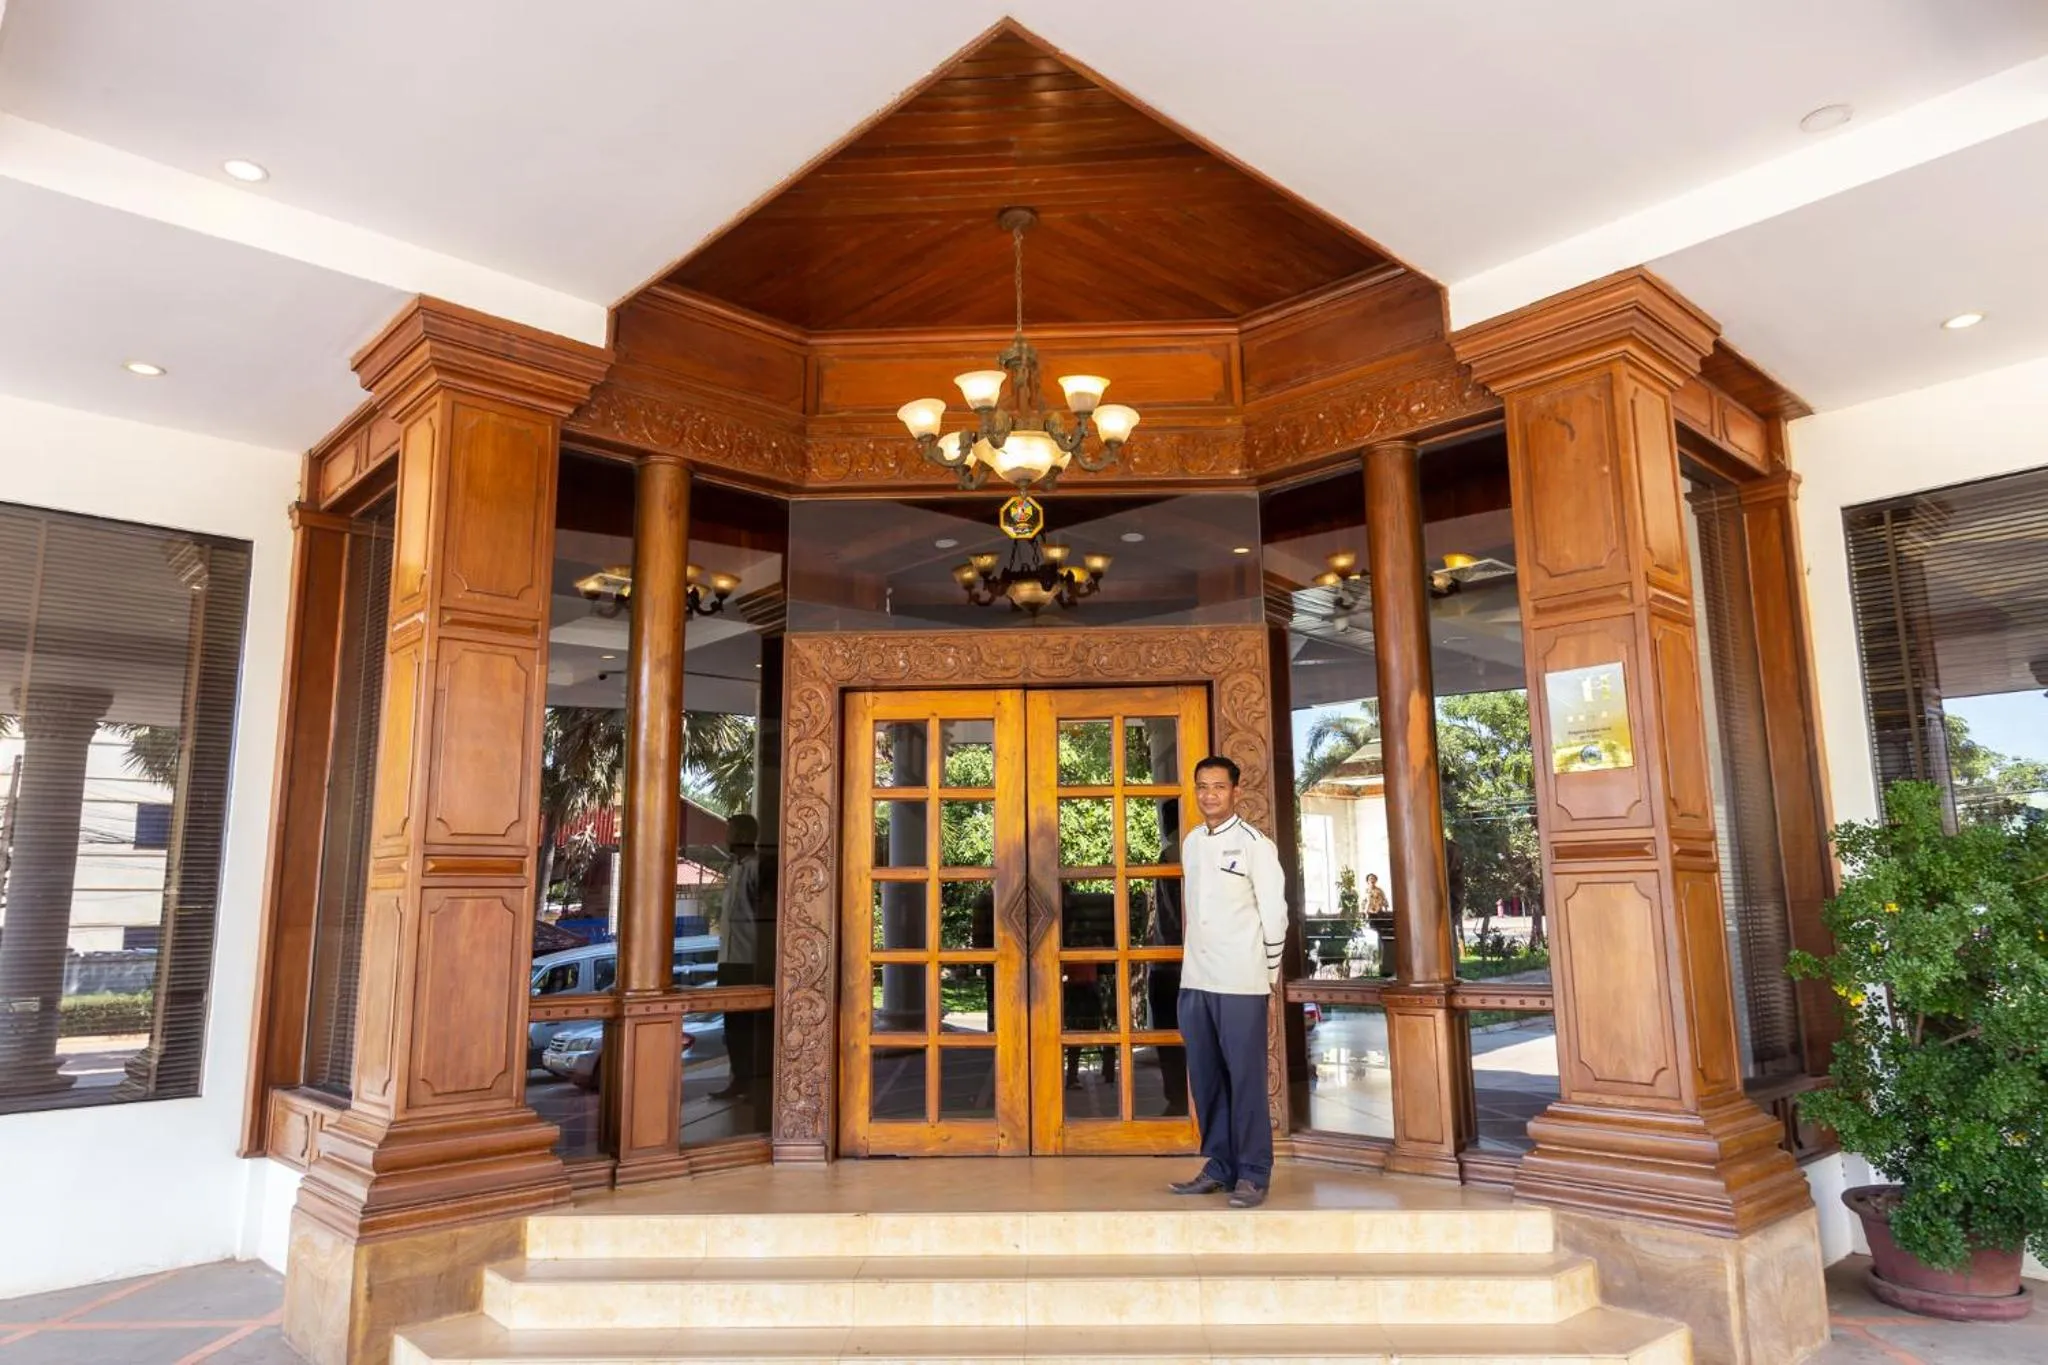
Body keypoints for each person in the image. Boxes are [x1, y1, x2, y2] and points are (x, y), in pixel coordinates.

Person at [1168, 755, 1288, 1208]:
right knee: (1207, 1078)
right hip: (1196, 978)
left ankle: (1254, 1172)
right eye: (1202, 786)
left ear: (1236, 791)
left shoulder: (1257, 845)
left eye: (1218, 786)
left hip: (1241, 980)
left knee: (1246, 1079)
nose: (1209, 795)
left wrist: (1268, 971)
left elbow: (1275, 913)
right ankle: (1219, 1165)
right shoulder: (1194, 842)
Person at [710, 813, 761, 1101]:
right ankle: (739, 1079)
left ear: (741, 835)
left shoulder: (755, 868)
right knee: (733, 1026)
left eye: (730, 832)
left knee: (750, 1026)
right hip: (729, 961)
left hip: (748, 959)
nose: (726, 837)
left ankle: (754, 1082)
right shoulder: (736, 869)